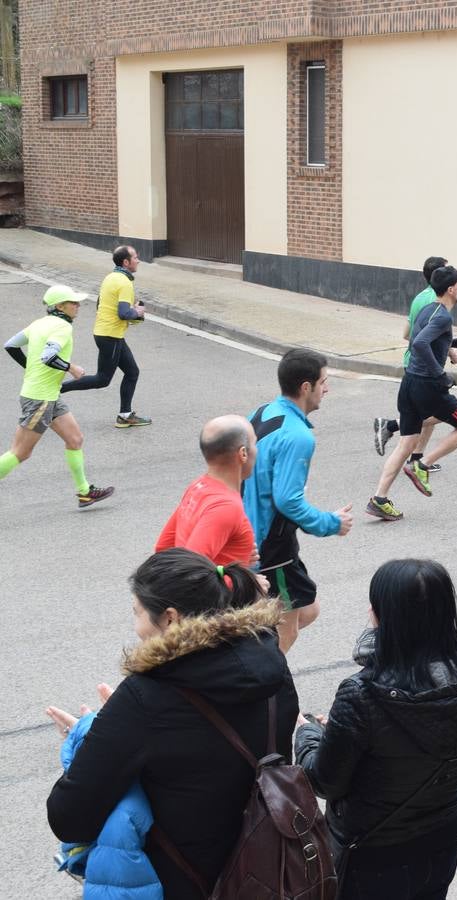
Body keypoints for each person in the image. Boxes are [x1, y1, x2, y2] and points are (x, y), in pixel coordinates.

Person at [47, 548, 300, 899]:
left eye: (137, 613)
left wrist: (90, 733)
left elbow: (69, 816)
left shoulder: (145, 697)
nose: (136, 629)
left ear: (169, 618)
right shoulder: (272, 667)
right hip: (272, 873)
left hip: (186, 884)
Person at [295, 559, 457, 900]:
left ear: (381, 616)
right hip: (442, 834)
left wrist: (307, 734)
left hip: (372, 849)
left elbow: (323, 781)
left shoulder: (361, 695)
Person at [244, 348, 353, 653]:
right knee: (285, 632)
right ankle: (263, 694)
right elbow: (287, 501)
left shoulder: (263, 412)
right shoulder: (298, 436)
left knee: (308, 609)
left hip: (247, 533)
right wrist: (332, 523)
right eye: (324, 381)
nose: (327, 388)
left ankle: (243, 656)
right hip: (270, 546)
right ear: (306, 387)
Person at [367, 266, 457, 520]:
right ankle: (421, 466)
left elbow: (420, 336)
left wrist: (450, 350)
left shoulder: (428, 309)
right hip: (429, 386)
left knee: (406, 442)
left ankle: (379, 499)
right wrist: (440, 373)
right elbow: (420, 342)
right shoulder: (443, 316)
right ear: (450, 289)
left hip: (409, 383)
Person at [1, 285, 114, 507]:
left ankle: (84, 492)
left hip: (49, 396)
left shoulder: (39, 324)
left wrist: (29, 368)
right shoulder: (62, 327)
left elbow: (10, 345)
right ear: (60, 306)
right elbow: (48, 356)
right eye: (73, 303)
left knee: (75, 439)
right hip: (40, 399)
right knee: (20, 453)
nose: (78, 306)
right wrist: (71, 368)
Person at [60, 245, 151, 428]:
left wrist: (132, 314)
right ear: (126, 262)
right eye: (135, 257)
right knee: (102, 380)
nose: (138, 260)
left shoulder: (110, 277)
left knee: (132, 372)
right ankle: (56, 390)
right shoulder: (124, 282)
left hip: (106, 334)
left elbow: (101, 305)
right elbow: (124, 313)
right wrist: (138, 311)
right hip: (111, 336)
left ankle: (125, 415)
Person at [156, 414, 258, 566]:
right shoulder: (227, 507)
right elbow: (190, 573)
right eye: (255, 443)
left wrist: (234, 557)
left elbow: (164, 549)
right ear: (243, 453)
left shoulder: (197, 487)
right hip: (219, 590)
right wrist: (245, 580)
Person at [374, 255, 449, 463]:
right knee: (441, 413)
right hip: (423, 369)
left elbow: (408, 334)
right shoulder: (434, 301)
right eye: (447, 270)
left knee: (429, 415)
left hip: (414, 364)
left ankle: (416, 457)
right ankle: (391, 427)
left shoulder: (419, 298)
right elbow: (421, 339)